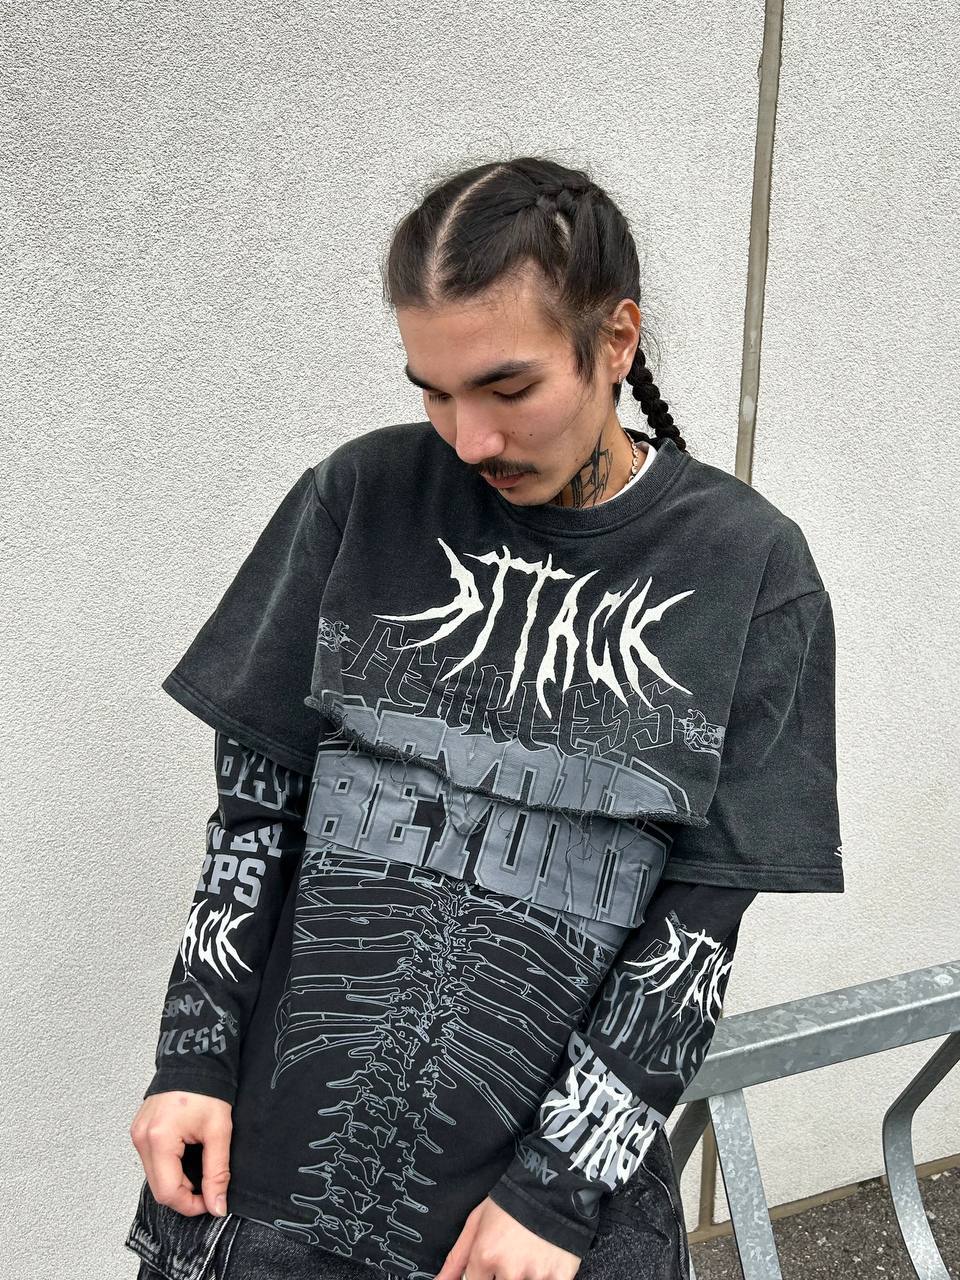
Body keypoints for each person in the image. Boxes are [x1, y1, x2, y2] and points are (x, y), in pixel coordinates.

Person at [125, 155, 843, 1280]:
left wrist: (557, 1195)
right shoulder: (362, 496)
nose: (469, 439)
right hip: (261, 1195)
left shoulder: (748, 568)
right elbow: (254, 818)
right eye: (434, 389)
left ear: (616, 340)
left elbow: (696, 930)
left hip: (539, 1229)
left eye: (508, 389)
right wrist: (191, 1059)